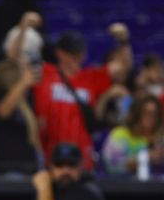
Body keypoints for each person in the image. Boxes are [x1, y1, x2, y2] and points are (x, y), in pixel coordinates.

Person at [33, 26, 132, 170]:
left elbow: (123, 67)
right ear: (60, 53)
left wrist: (123, 41)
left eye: (80, 53)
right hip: (51, 157)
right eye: (73, 53)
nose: (78, 57)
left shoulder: (90, 77)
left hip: (82, 158)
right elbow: (15, 62)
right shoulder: (45, 73)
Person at [0, 15, 44, 175]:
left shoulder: (29, 88)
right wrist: (23, 26)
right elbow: (3, 111)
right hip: (11, 169)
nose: (27, 59)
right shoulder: (3, 74)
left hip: (30, 167)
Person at [102, 96, 164, 176]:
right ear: (136, 114)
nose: (152, 118)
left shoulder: (161, 137)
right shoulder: (120, 134)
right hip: (125, 185)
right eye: (147, 113)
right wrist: (144, 159)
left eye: (155, 114)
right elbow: (111, 164)